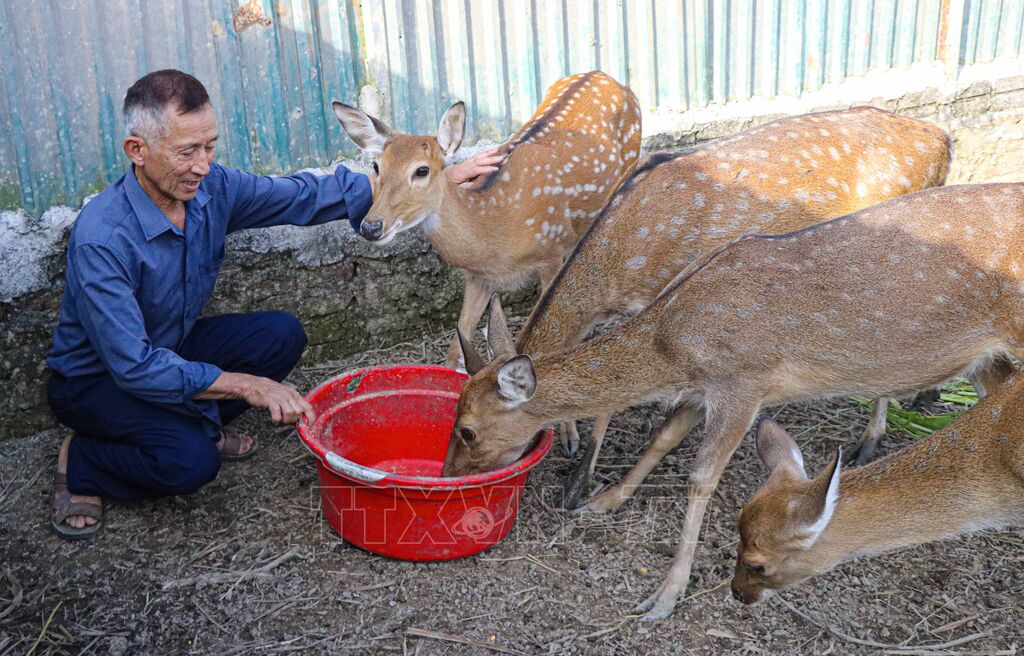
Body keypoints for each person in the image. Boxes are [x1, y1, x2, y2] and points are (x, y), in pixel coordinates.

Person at [46, 69, 503, 539]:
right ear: (137, 151)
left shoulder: (210, 188)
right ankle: (83, 461)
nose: (203, 166)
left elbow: (296, 197)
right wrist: (249, 387)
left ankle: (191, 422)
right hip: (98, 382)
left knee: (280, 335)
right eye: (187, 152)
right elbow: (133, 366)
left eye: (209, 146)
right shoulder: (102, 237)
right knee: (189, 463)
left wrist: (429, 184)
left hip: (169, 347)